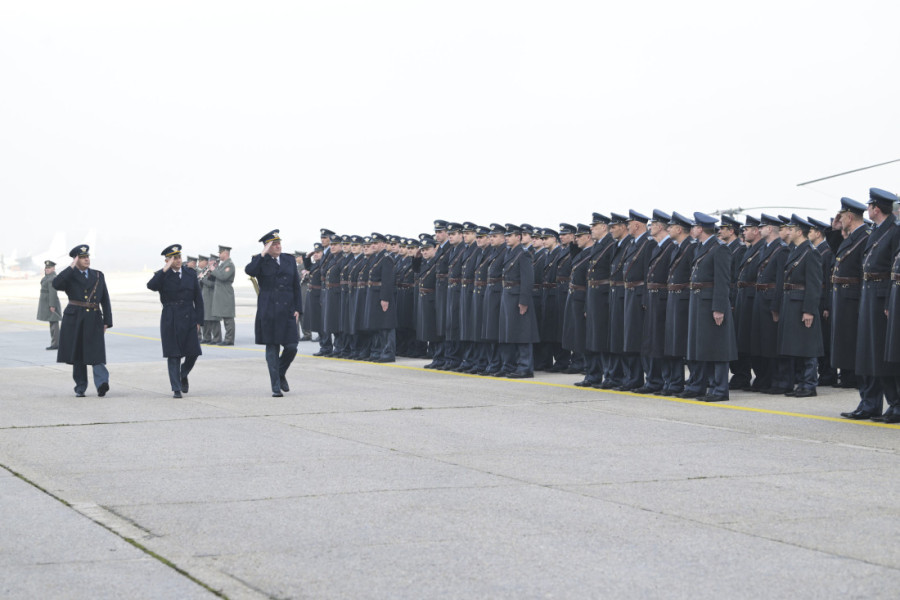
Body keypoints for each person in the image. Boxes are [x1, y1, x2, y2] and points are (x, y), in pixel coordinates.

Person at [848, 189, 900, 422]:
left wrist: (889, 299)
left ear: (876, 207)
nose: (867, 209)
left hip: (882, 296)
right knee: (868, 352)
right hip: (869, 293)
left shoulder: (894, 230)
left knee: (883, 353)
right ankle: (870, 403)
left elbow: (893, 270)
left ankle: (895, 403)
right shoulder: (877, 231)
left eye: (869, 206)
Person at [685, 213, 738, 402]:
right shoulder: (701, 247)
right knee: (702, 347)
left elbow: (723, 281)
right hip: (699, 301)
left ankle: (720, 389)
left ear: (700, 228)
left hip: (711, 303)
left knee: (717, 347)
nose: (691, 230)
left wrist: (719, 307)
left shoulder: (719, 249)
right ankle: (700, 385)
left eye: (694, 227)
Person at [245, 230, 302, 397]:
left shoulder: (289, 259)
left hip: (287, 309)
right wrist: (262, 254)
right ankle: (275, 386)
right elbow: (250, 271)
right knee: (272, 349)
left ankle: (280, 373)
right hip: (269, 309)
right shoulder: (260, 260)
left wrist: (298, 308)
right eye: (273, 244)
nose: (278, 246)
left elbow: (296, 286)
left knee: (292, 346)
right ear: (267, 246)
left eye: (279, 243)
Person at [53, 244, 112, 397]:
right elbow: (56, 284)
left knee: (97, 352)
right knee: (78, 354)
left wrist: (107, 320)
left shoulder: (98, 275)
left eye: (87, 257)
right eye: (82, 258)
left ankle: (102, 383)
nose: (87, 260)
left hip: (94, 317)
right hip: (75, 318)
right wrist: (71, 266)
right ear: (76, 259)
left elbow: (105, 298)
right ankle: (80, 387)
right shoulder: (69, 275)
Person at [775, 215, 823, 397]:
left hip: (802, 303)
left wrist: (809, 310)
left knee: (808, 345)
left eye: (791, 229)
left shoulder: (811, 252)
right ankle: (801, 383)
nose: (788, 232)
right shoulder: (797, 250)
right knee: (797, 346)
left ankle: (809, 384)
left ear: (798, 231)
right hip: (791, 302)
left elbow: (814, 284)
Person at [146, 244, 203, 398]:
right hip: (170, 317)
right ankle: (176, 388)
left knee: (194, 352)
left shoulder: (190, 274)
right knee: (173, 354)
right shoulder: (162, 275)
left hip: (189, 316)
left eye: (179, 257)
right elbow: (151, 286)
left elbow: (198, 298)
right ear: (167, 260)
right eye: (174, 258)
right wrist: (165, 269)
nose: (178, 260)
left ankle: (182, 374)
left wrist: (199, 320)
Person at [498, 224, 539, 377]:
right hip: (507, 296)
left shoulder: (523, 254)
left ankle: (525, 367)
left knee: (523, 333)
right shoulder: (510, 253)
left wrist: (524, 301)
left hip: (517, 298)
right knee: (509, 333)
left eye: (510, 235)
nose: (507, 238)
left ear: (518, 237)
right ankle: (509, 365)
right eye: (506, 235)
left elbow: (528, 279)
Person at [363, 233, 397, 362]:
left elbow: (387, 280)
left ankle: (388, 352)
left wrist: (385, 299)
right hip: (374, 294)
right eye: (372, 243)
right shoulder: (375, 258)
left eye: (376, 243)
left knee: (386, 326)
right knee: (377, 325)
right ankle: (378, 351)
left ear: (383, 244)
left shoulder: (386, 259)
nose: (373, 245)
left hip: (382, 295)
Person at [208, 245, 236, 345]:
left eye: (220, 253)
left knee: (228, 317)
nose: (219, 255)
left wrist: (213, 270)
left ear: (225, 253)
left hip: (226, 293)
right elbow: (216, 277)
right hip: (221, 294)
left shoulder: (229, 265)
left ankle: (229, 340)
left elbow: (223, 276)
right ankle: (226, 339)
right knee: (224, 317)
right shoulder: (223, 265)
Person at [37, 259, 62, 350]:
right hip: (47, 303)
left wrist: (52, 305)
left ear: (53, 268)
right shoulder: (47, 277)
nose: (47, 269)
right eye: (46, 268)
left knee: (54, 324)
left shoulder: (52, 278)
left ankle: (55, 344)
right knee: (52, 324)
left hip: (50, 303)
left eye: (49, 268)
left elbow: (53, 293)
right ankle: (55, 343)